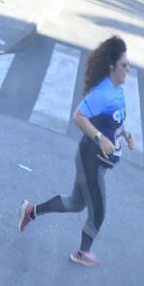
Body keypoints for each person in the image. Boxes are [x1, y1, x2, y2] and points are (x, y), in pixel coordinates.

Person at [18, 35, 135, 267]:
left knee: (75, 203)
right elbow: (78, 117)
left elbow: (114, 121)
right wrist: (100, 138)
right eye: (124, 65)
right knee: (98, 211)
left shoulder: (118, 91)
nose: (128, 70)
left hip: (97, 160)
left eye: (128, 65)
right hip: (91, 160)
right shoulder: (102, 93)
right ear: (113, 67)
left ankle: (31, 211)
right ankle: (83, 253)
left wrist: (126, 133)